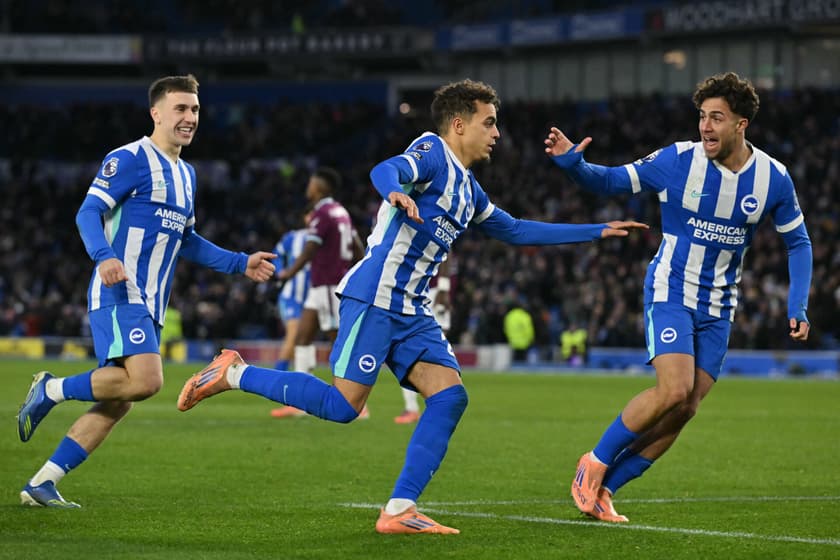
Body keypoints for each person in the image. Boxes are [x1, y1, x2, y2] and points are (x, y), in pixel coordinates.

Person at [177, 78, 647, 534]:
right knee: (343, 406)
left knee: (450, 396)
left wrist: (593, 231)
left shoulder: (469, 190)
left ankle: (400, 508)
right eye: (489, 122)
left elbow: (516, 229)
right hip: (376, 297)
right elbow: (387, 169)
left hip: (413, 310)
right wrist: (394, 190)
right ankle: (233, 372)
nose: (497, 134)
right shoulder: (433, 151)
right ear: (459, 124)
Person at [546, 71, 812, 523]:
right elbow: (612, 182)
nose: (706, 127)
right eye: (702, 117)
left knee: (686, 407)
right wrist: (574, 164)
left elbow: (799, 242)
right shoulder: (677, 160)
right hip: (671, 290)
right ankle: (592, 463)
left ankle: (609, 488)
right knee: (673, 389)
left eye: (717, 118)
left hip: (719, 307)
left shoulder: (773, 178)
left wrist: (797, 304)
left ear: (741, 123)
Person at [16, 74, 276, 508]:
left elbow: (187, 239)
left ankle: (42, 483)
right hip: (120, 292)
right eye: (180, 108)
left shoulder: (187, 175)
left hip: (150, 302)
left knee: (121, 399)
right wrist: (103, 256)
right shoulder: (130, 158)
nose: (190, 117)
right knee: (147, 381)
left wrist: (239, 262)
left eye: (194, 109)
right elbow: (88, 212)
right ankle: (51, 390)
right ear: (156, 113)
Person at [269, 167, 366, 419]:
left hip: (328, 284)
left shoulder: (322, 213)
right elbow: (358, 249)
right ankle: (301, 402)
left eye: (311, 182)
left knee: (339, 342)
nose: (308, 186)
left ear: (320, 186)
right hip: (321, 285)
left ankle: (356, 401)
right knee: (302, 337)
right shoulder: (341, 212)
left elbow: (311, 248)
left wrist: (288, 273)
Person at [394, 257, 452, 424]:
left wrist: (443, 289)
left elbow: (446, 252)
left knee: (413, 351)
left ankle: (422, 407)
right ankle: (420, 407)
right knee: (416, 352)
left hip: (428, 293)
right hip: (422, 292)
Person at [270, 210, 311, 373]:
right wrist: (280, 271)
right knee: (294, 334)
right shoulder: (294, 237)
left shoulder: (327, 236)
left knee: (303, 339)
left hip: (313, 296)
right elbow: (276, 254)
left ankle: (301, 376)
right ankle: (278, 374)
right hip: (292, 296)